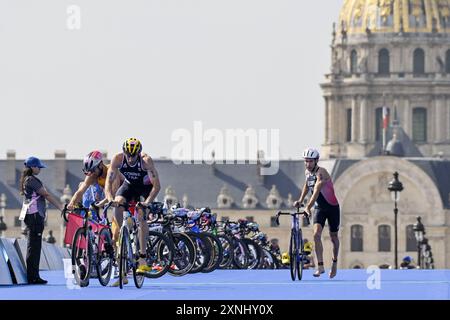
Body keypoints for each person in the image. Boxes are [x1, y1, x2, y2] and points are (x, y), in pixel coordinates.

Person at [105, 138, 161, 286]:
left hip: (145, 188)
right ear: (124, 153)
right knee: (117, 205)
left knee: (141, 215)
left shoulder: (146, 161)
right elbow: (108, 184)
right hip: (129, 186)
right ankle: (124, 233)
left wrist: (147, 202)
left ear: (139, 153)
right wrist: (110, 198)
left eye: (133, 155)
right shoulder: (117, 159)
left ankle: (142, 257)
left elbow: (157, 186)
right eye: (128, 155)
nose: (130, 158)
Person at [294, 148, 340, 279]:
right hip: (320, 208)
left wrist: (308, 207)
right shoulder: (307, 173)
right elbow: (306, 185)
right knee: (316, 234)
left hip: (332, 208)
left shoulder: (322, 173)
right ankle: (320, 266)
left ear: (316, 161)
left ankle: (334, 262)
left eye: (310, 161)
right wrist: (300, 200)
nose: (308, 164)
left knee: (333, 237)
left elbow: (316, 190)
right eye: (306, 161)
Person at [20, 156, 63, 285]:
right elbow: (46, 194)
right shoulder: (32, 180)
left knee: (33, 246)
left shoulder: (27, 180)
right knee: (34, 247)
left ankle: (33, 275)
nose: (40, 169)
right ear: (33, 167)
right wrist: (60, 207)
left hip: (31, 216)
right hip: (34, 217)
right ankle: (33, 277)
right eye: (38, 167)